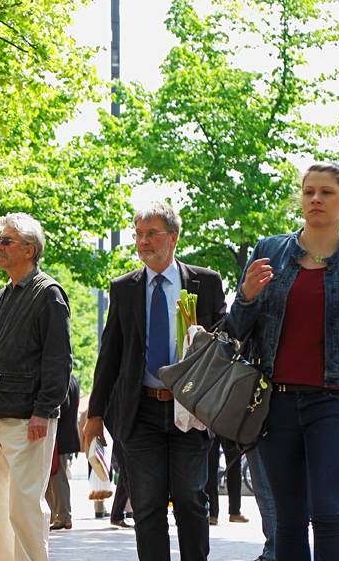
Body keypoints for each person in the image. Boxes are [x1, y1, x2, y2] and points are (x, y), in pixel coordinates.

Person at [228, 161, 339, 561]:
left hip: (335, 403)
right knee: (288, 519)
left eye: (326, 192)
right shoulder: (269, 253)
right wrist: (247, 297)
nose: (316, 199)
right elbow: (235, 332)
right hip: (277, 405)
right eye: (309, 192)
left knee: (326, 512)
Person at [82, 200, 227, 561]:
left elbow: (226, 340)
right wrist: (96, 414)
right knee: (146, 506)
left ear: (173, 237)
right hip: (141, 410)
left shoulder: (205, 283)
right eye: (139, 234)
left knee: (192, 500)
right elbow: (110, 354)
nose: (143, 242)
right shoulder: (125, 288)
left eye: (152, 234)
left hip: (190, 409)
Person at [0, 212, 72, 561]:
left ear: (29, 248)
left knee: (24, 506)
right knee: (4, 510)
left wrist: (44, 409)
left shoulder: (48, 294)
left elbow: (59, 360)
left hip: (28, 419)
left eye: (6, 240)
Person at [46, 373, 80, 530]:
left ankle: (63, 516)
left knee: (57, 477)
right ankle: (58, 515)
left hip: (59, 437)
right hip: (65, 436)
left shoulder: (61, 380)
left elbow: (61, 406)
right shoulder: (72, 379)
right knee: (58, 475)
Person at [206, 435, 247, 525]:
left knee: (210, 469)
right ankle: (234, 512)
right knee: (234, 467)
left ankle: (213, 514)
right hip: (228, 427)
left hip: (211, 424)